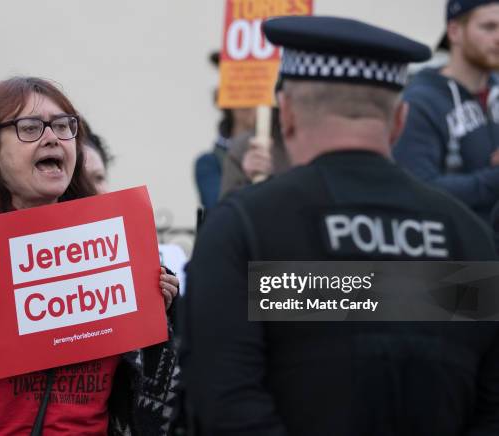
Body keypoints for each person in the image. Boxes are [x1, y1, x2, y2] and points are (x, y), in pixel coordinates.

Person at [183, 16, 499, 435]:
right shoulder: (470, 237)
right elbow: (490, 406)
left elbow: (223, 399)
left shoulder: (246, 228)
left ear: (288, 115)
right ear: (400, 120)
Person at [0, 77, 179, 435]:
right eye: (29, 128)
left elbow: (147, 373)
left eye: (63, 126)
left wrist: (154, 299)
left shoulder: (105, 230)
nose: (52, 137)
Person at [393, 0, 499, 227]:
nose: (498, 37)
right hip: (458, 254)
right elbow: (417, 191)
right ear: (454, 32)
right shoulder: (421, 102)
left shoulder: (496, 91)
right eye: (489, 27)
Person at [193, 51, 258, 210]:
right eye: (239, 89)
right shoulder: (210, 163)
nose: (248, 99)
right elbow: (222, 210)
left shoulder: (283, 152)